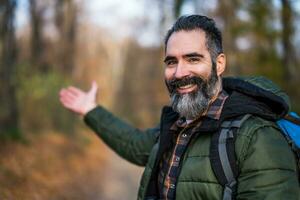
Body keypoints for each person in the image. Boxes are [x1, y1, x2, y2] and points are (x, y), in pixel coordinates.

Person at [59, 15, 299, 200]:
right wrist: (91, 110)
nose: (180, 73)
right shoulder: (177, 123)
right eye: (171, 61)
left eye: (193, 59)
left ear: (219, 63)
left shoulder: (256, 137)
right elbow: (135, 144)